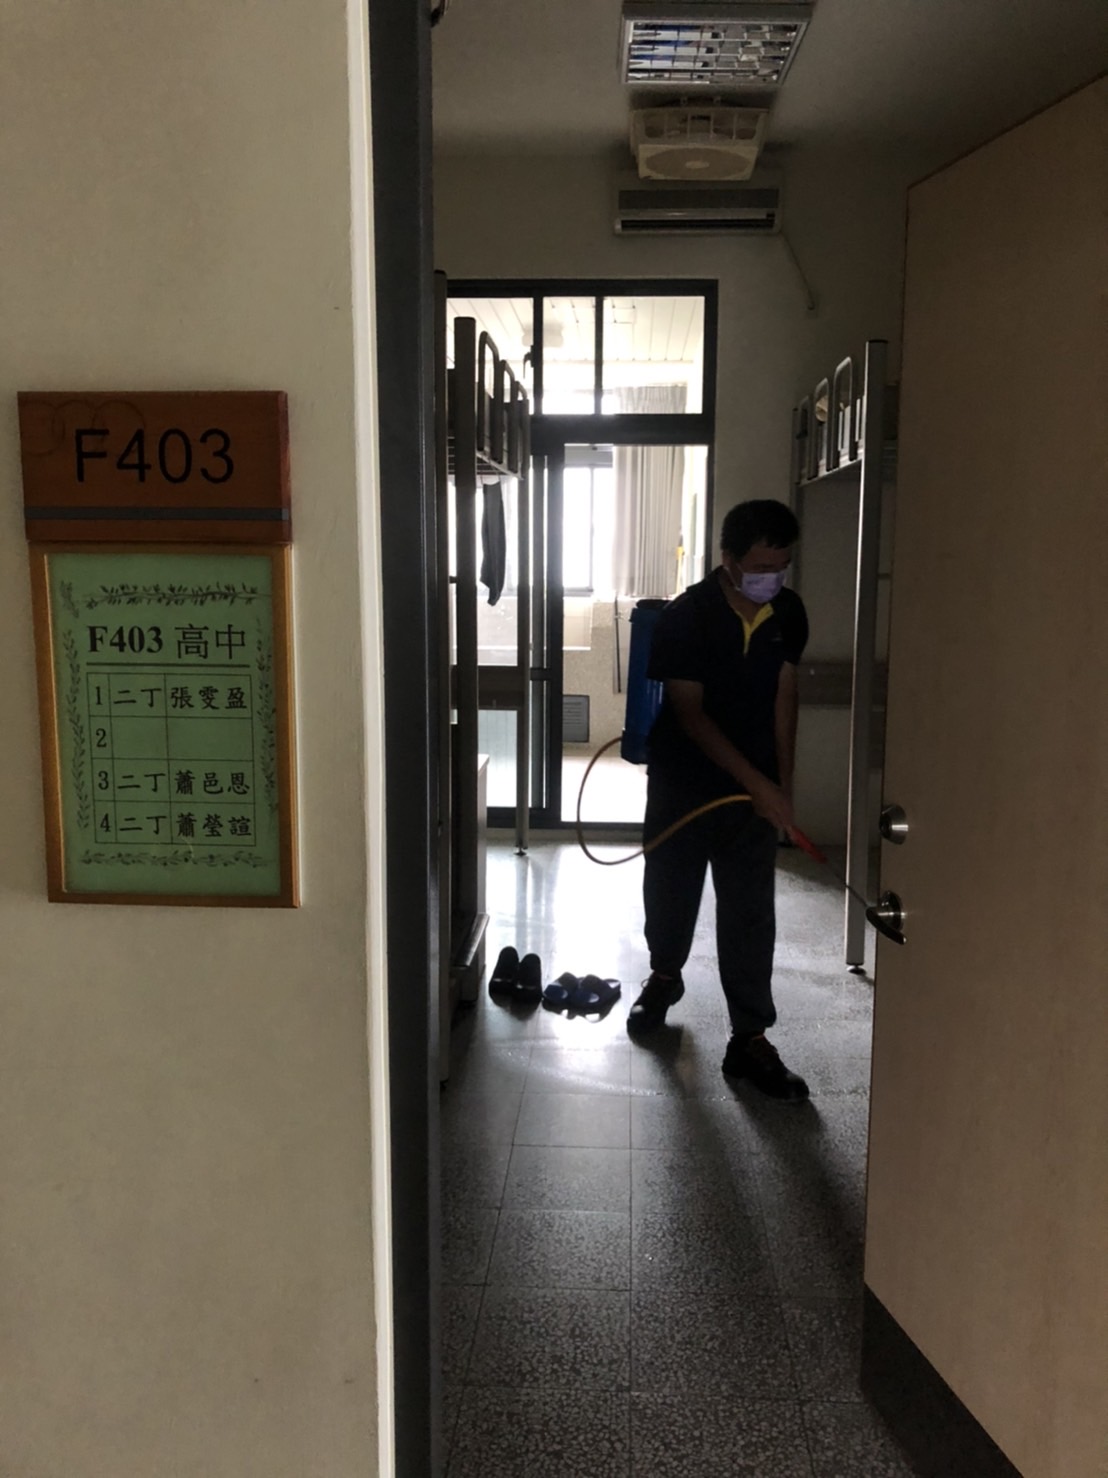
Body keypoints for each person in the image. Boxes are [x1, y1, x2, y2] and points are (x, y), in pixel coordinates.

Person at [627, 499, 810, 1101]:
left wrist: (781, 788)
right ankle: (664, 976)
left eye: (781, 567)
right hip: (683, 785)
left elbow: (785, 698)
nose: (771, 579)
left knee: (751, 912)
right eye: (760, 568)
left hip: (751, 795)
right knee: (670, 891)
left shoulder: (788, 612)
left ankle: (750, 1037)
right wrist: (759, 785)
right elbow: (690, 713)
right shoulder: (687, 617)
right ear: (728, 559)